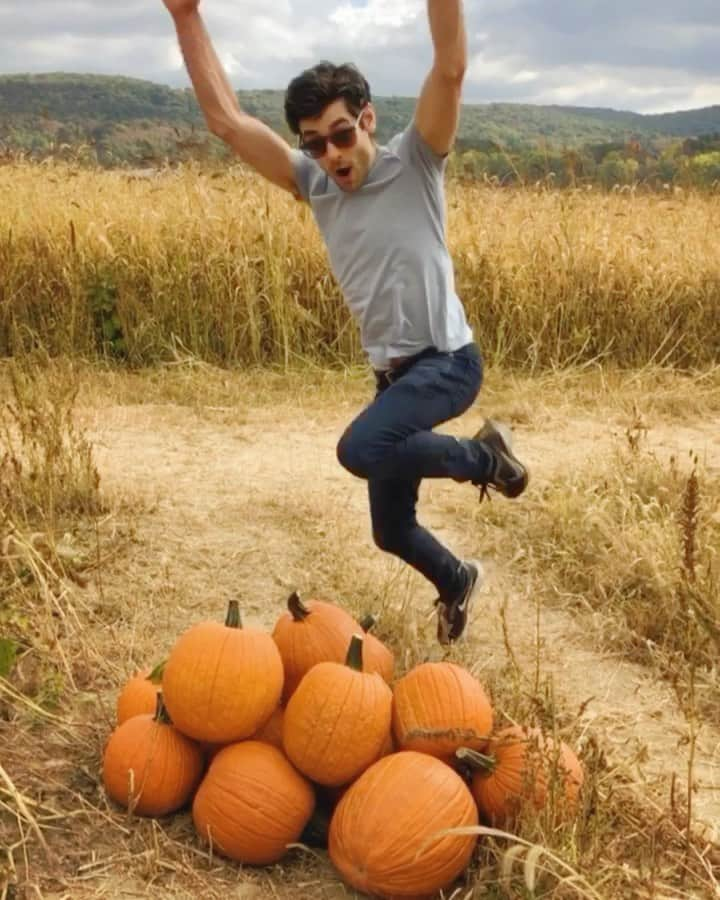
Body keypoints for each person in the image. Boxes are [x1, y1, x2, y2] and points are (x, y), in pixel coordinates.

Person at [161, 0, 529, 644]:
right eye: (313, 143)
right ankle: (456, 578)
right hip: (396, 380)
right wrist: (185, 14)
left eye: (339, 135)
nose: (329, 153)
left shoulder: (416, 161)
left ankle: (483, 458)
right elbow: (226, 120)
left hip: (447, 362)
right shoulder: (315, 187)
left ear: (366, 120)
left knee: (360, 449)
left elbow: (449, 68)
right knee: (391, 530)